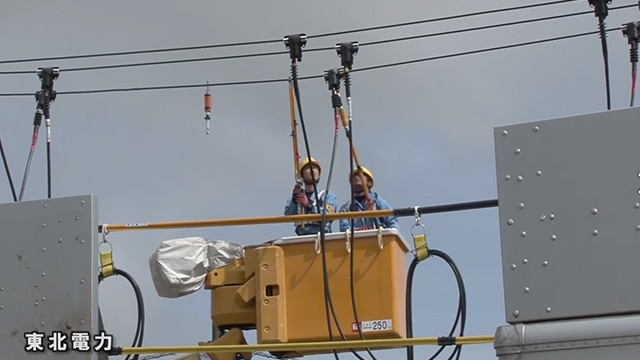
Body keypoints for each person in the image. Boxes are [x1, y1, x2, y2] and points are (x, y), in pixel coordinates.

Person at [284, 157, 337, 236]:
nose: (312, 170)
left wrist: (309, 206)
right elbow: (288, 214)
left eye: (315, 168)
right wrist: (294, 200)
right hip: (302, 238)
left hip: (322, 238)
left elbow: (328, 215)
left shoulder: (328, 195)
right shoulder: (298, 197)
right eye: (308, 168)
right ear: (301, 175)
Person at [339, 166, 399, 232]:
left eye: (360, 175)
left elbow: (393, 224)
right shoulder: (346, 209)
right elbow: (345, 230)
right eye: (354, 176)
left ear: (369, 182)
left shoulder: (378, 203)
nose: (356, 177)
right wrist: (359, 231)